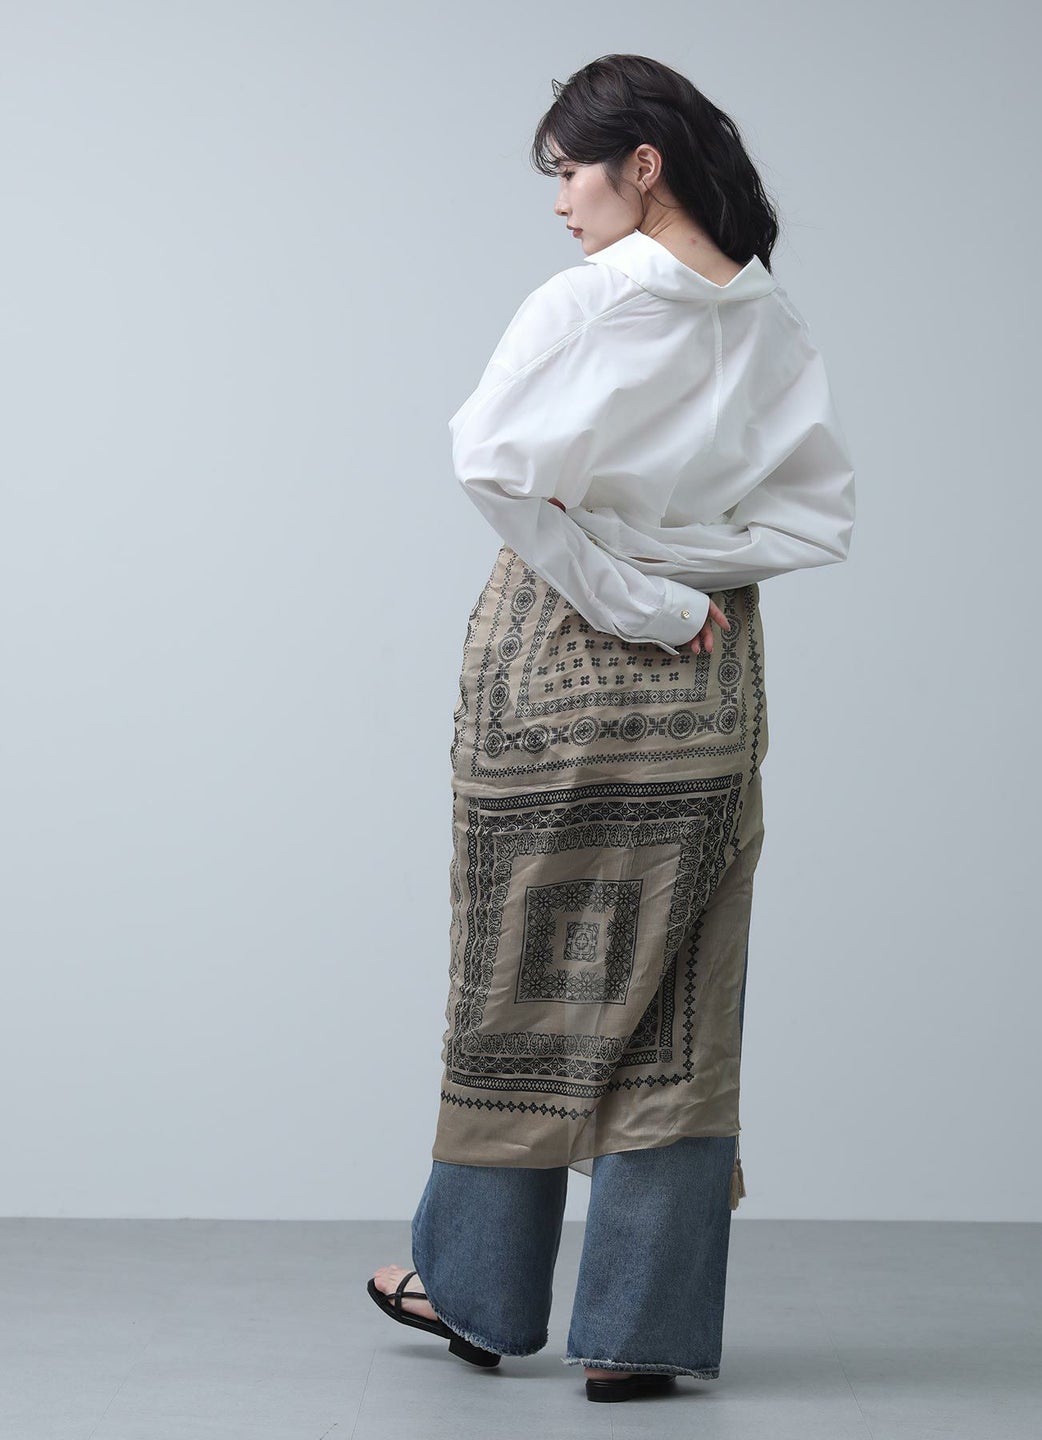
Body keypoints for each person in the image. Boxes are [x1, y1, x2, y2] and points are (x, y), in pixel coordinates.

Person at [365, 52, 855, 1403]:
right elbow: (817, 518)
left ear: (643, 166)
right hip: (709, 671)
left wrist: (633, 587)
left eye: (570, 169)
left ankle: (476, 1292)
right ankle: (641, 1328)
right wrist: (688, 578)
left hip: (556, 663)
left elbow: (488, 464)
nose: (560, 201)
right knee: (682, 981)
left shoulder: (587, 301)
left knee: (522, 967)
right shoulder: (770, 320)